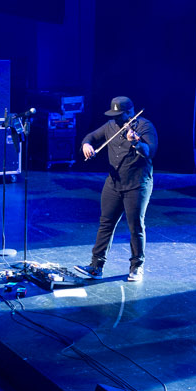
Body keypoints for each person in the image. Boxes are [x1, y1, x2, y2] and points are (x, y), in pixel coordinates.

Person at [75, 96, 157, 283]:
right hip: (113, 184)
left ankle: (137, 266)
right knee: (106, 224)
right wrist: (86, 144)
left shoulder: (144, 127)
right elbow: (91, 137)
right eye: (115, 115)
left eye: (121, 116)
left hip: (137, 185)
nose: (117, 120)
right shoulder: (111, 126)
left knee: (135, 226)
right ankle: (96, 266)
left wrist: (135, 141)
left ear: (130, 112)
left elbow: (150, 152)